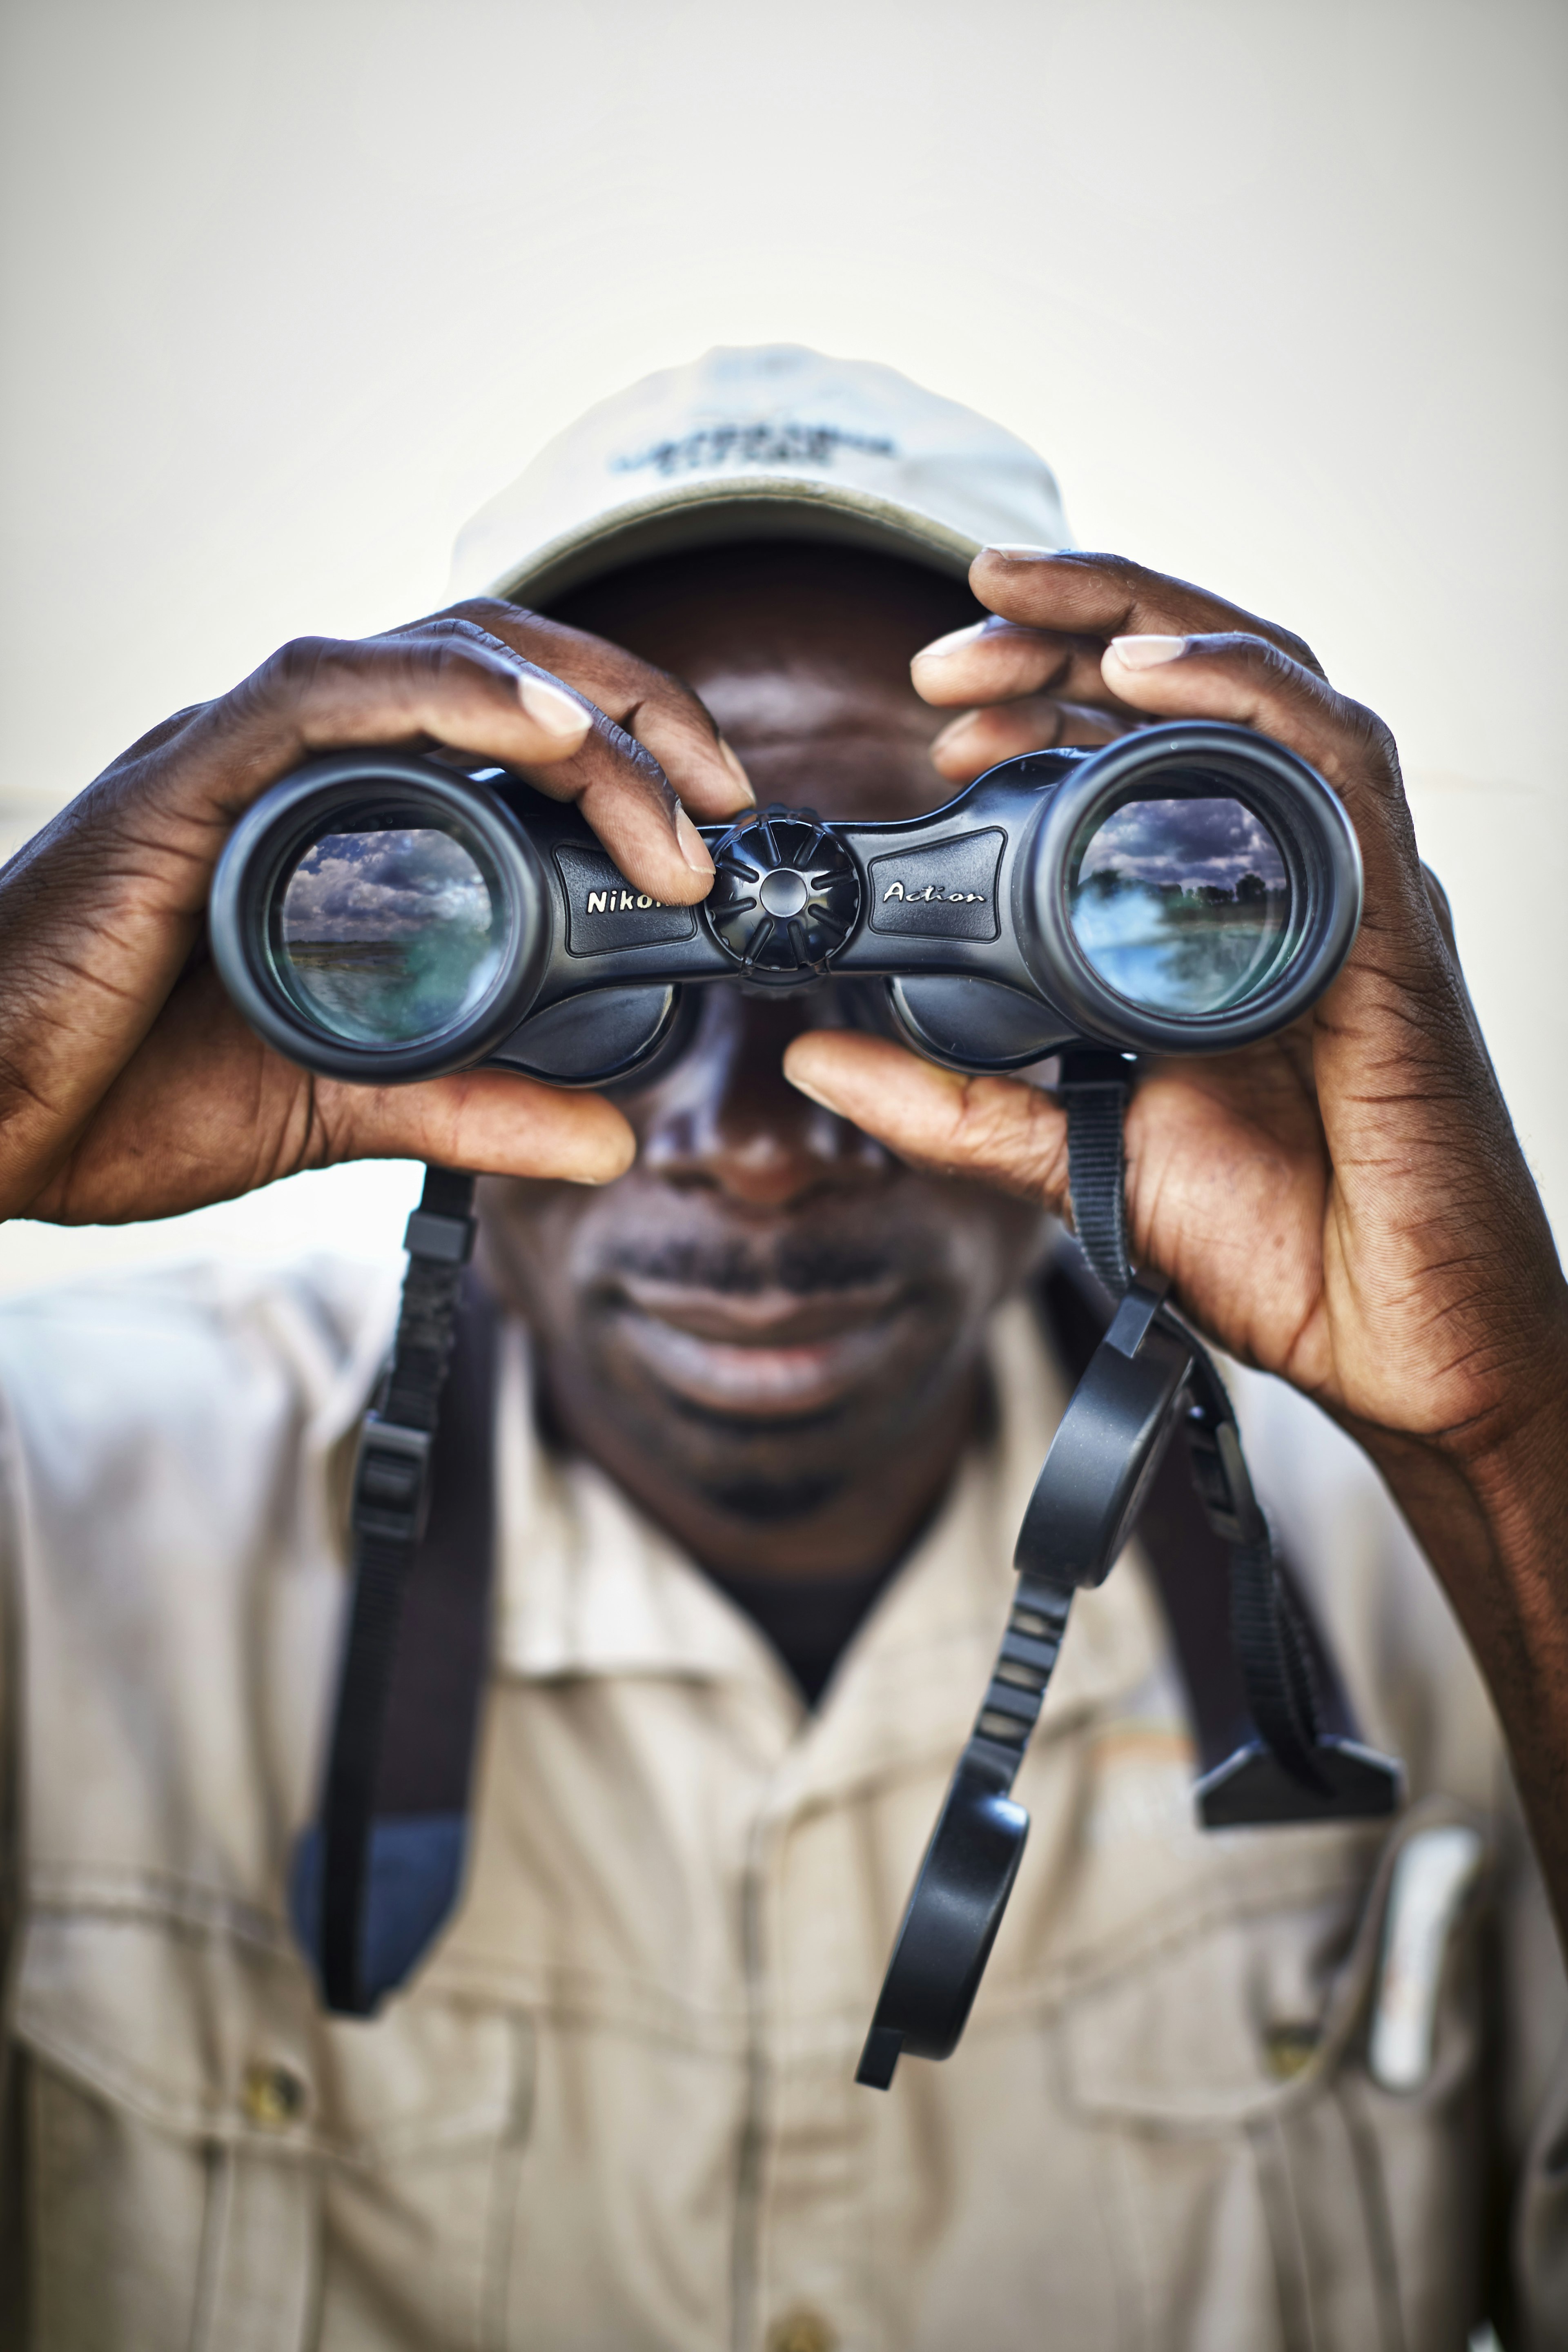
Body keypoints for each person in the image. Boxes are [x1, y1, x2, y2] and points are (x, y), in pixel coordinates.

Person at [0, 346, 1564, 2350]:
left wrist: (1502, 1438)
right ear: (448, 944)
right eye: (598, 930)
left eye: (950, 943)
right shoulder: (69, 1515)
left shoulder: (1438, 1579)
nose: (756, 1146)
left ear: (1098, 957)